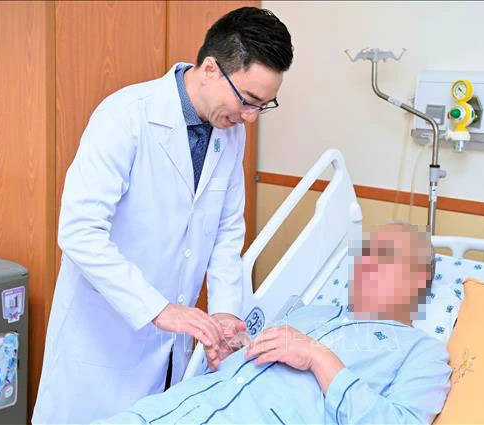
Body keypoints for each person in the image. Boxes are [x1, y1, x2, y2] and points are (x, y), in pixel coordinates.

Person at [32, 7, 293, 424]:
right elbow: (80, 232)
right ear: (210, 68)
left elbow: (227, 232)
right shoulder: (125, 115)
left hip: (171, 350)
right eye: (247, 100)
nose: (250, 116)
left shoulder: (230, 132)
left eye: (264, 105)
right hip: (103, 342)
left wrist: (226, 311)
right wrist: (158, 309)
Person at [96, 223, 452, 424]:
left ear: (419, 278)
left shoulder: (422, 352)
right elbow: (246, 375)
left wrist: (319, 357)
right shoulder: (310, 313)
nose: (366, 263)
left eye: (385, 257)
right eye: (365, 254)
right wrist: (232, 353)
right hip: (168, 413)